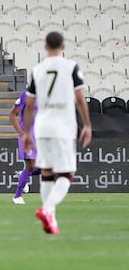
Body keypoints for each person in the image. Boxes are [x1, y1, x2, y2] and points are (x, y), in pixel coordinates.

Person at [22, 31, 92, 235]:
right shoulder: (71, 67)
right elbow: (80, 98)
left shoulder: (37, 70)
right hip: (63, 126)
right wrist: (87, 124)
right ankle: (47, 209)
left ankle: (50, 220)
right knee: (66, 175)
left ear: (45, 47)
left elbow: (29, 105)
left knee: (47, 173)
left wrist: (26, 133)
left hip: (42, 127)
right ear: (63, 47)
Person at [9, 90, 40, 204]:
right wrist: (22, 134)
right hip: (27, 133)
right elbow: (12, 114)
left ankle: (24, 174)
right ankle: (17, 196)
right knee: (31, 164)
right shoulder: (26, 95)